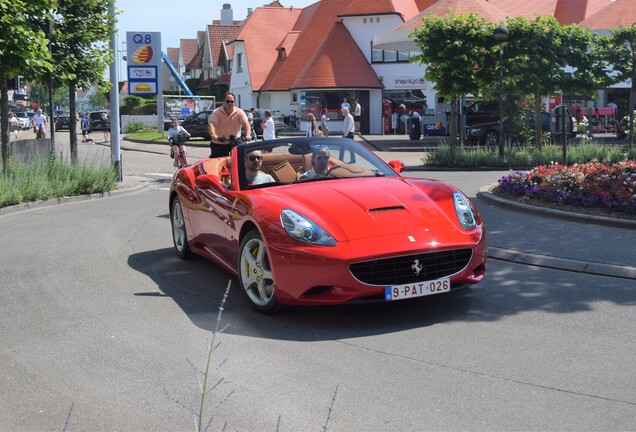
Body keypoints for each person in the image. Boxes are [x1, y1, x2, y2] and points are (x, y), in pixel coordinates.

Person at [208, 91, 252, 157]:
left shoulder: (239, 112)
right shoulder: (217, 112)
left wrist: (248, 135)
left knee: (241, 160)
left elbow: (246, 124)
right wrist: (213, 135)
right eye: (228, 101)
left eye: (232, 101)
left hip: (235, 141)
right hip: (219, 142)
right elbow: (212, 124)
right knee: (218, 163)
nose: (230, 103)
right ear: (223, 102)